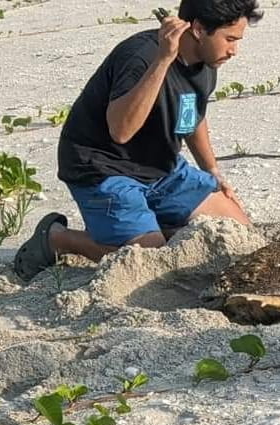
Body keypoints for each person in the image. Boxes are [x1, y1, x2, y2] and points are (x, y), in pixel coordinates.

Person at [14, 0, 263, 281]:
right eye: (229, 39)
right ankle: (59, 239)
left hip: (160, 167)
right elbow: (120, 130)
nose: (234, 51)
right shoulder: (142, 56)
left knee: (239, 233)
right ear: (198, 28)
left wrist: (212, 171)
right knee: (152, 259)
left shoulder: (206, 61)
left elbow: (192, 114)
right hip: (103, 168)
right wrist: (163, 60)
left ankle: (149, 226)